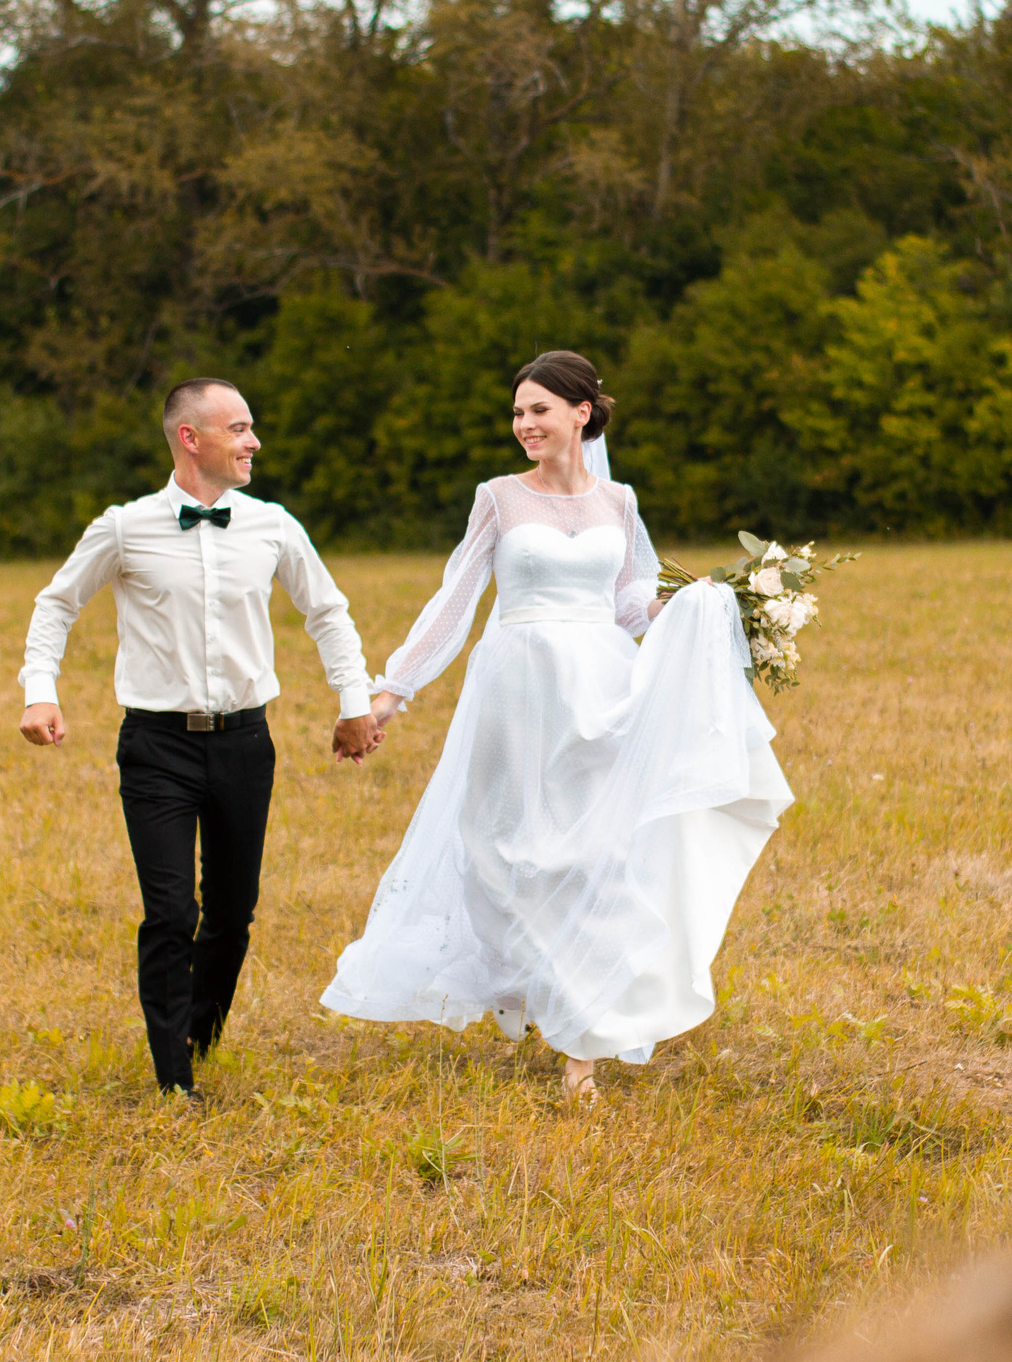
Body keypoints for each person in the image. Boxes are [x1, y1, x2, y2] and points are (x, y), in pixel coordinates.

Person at [319, 351, 791, 1101]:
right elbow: (455, 601)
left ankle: (582, 1045)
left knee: (598, 852)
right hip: (516, 689)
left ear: (582, 411)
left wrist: (699, 604)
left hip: (600, 686)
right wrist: (389, 693)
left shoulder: (620, 501)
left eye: (538, 409)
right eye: (517, 412)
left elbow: (631, 603)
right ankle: (539, 983)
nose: (524, 424)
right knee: (510, 855)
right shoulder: (500, 498)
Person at [17, 379, 382, 1097]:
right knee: (170, 910)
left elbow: (329, 613)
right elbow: (56, 603)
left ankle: (199, 1029)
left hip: (246, 743)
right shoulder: (124, 527)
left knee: (232, 911)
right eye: (239, 428)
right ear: (192, 438)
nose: (254, 442)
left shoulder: (274, 525)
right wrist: (40, 690)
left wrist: (354, 701)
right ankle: (172, 1076)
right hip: (156, 747)